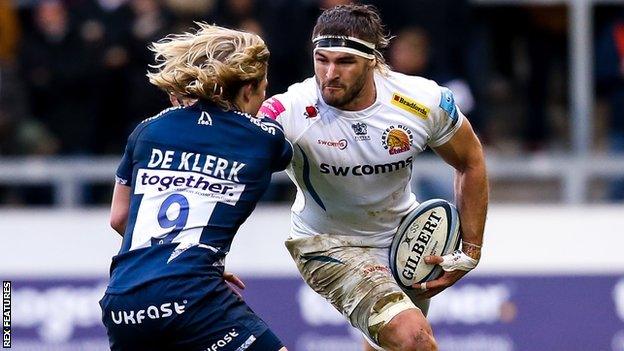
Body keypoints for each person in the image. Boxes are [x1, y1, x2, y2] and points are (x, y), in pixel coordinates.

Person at [259, 4, 488, 351]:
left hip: (404, 242)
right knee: (414, 338)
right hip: (326, 243)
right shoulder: (289, 110)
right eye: (322, 59)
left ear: (372, 60)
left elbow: (470, 161)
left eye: (344, 62)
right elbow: (234, 167)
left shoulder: (423, 101)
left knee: (387, 345)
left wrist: (471, 249)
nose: (329, 74)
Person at [100, 23, 292, 351]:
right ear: (247, 89)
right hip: (191, 294)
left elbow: (119, 219)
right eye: (263, 89)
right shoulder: (264, 137)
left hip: (122, 302)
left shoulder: (147, 130)